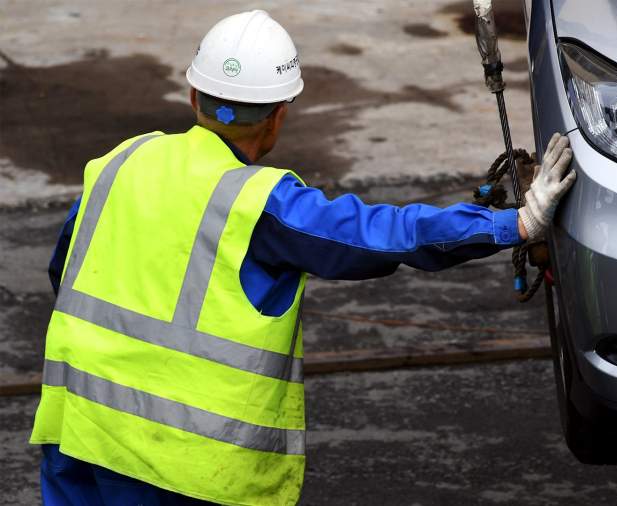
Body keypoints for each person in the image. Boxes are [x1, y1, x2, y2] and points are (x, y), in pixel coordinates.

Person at [30, 10, 575, 506]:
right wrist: (515, 224)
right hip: (176, 465)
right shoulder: (256, 203)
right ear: (278, 115)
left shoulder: (121, 161)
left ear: (193, 95)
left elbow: (66, 271)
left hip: (75, 433)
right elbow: (380, 235)